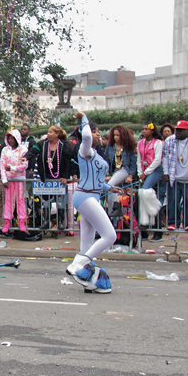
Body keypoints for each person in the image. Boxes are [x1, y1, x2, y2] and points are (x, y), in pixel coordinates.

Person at [65, 112, 117, 293]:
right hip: (85, 196)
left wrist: (109, 187)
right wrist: (84, 118)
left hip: (92, 196)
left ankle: (89, 280)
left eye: (98, 132)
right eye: (95, 132)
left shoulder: (95, 154)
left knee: (87, 244)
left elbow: (97, 179)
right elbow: (86, 135)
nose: (97, 134)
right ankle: (78, 264)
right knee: (110, 236)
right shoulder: (84, 150)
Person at [23, 126, 76, 231]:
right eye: (47, 132)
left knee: (60, 199)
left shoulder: (64, 145)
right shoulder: (43, 144)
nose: (48, 134)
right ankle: (47, 221)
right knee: (46, 200)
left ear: (57, 134)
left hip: (59, 177)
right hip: (46, 176)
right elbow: (34, 150)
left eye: (50, 132)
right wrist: (26, 157)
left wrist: (65, 176)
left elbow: (68, 162)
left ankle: (60, 222)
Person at [162, 120, 188, 236]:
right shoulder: (170, 140)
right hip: (174, 177)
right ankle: (173, 222)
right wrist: (166, 173)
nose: (177, 133)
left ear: (187, 131)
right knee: (173, 200)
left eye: (180, 130)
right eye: (176, 130)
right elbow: (165, 158)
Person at [137, 123, 164, 242]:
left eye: (146, 129)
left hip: (155, 170)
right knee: (142, 196)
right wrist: (140, 173)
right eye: (143, 129)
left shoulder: (158, 143)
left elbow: (157, 160)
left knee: (145, 192)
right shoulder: (140, 143)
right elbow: (139, 159)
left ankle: (153, 214)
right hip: (143, 171)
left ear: (152, 131)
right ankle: (145, 225)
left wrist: (146, 173)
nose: (144, 131)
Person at [0, 128, 28, 237]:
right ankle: (7, 221)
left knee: (21, 200)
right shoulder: (4, 150)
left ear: (17, 139)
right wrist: (4, 179)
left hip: (20, 178)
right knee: (8, 200)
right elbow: (2, 165)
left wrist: (12, 168)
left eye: (13, 138)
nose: (11, 140)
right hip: (9, 179)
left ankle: (21, 220)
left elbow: (25, 165)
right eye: (9, 138)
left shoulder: (23, 149)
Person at [104, 124, 137, 216]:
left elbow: (133, 162)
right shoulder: (110, 146)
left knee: (110, 185)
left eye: (118, 135)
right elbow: (106, 161)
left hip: (124, 170)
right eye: (114, 135)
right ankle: (112, 213)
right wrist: (106, 174)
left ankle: (117, 207)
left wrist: (130, 176)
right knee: (110, 189)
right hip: (112, 172)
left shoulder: (128, 147)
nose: (115, 137)